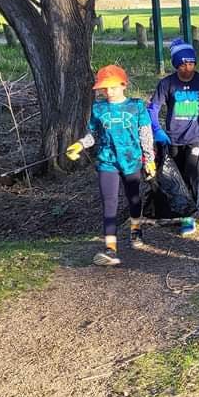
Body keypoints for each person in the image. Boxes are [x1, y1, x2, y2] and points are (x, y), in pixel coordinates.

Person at [65, 65, 155, 266]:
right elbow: (93, 135)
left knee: (134, 198)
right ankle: (110, 248)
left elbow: (146, 134)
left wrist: (149, 160)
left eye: (112, 87)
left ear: (124, 85)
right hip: (107, 160)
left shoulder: (136, 106)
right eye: (104, 88)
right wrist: (80, 144)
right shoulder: (98, 109)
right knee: (110, 202)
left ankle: (135, 228)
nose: (108, 92)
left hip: (131, 159)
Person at [148, 38, 199, 236]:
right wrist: (157, 130)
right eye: (183, 64)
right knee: (173, 175)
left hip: (195, 137)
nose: (188, 67)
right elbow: (153, 109)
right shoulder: (167, 83)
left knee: (190, 174)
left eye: (191, 63)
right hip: (172, 138)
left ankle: (188, 217)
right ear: (176, 65)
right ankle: (173, 212)